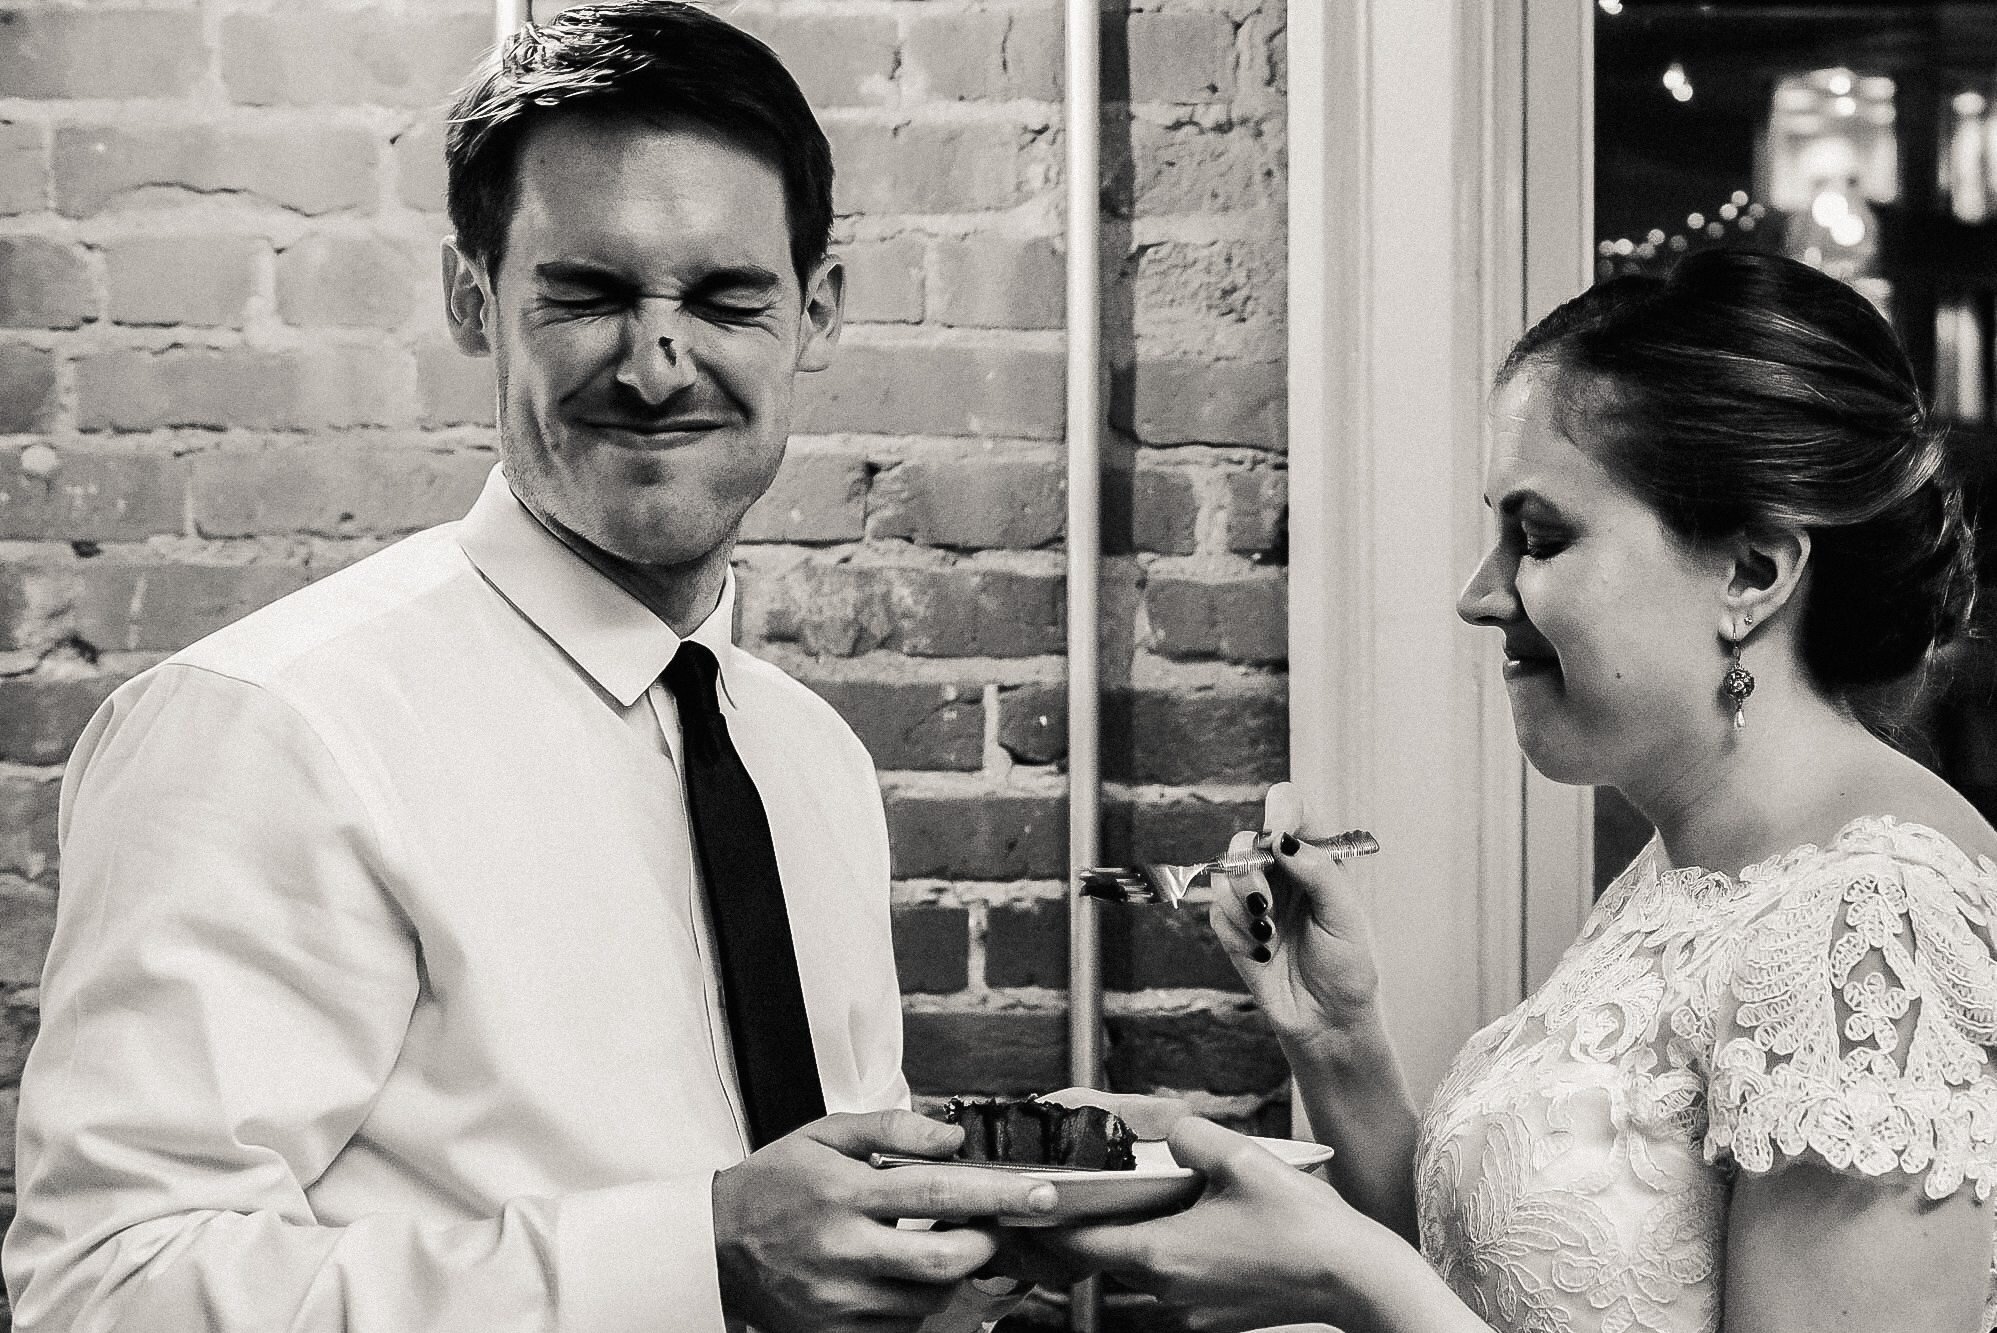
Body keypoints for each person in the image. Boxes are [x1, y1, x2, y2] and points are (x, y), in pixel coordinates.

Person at [1, 6, 1057, 1330]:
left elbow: (819, 1243)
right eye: (591, 293)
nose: (659, 360)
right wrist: (697, 1256)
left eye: (726, 298)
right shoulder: (267, 733)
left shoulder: (809, 758)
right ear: (473, 301)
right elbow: (108, 1296)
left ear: (816, 314)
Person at [1018, 250, 1997, 1332]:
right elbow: (1513, 1283)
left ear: (1752, 572)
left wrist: (1346, 1278)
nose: (1478, 595)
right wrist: (1337, 1040)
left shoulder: (1872, 932)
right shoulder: (1685, 871)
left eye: (1536, 537)